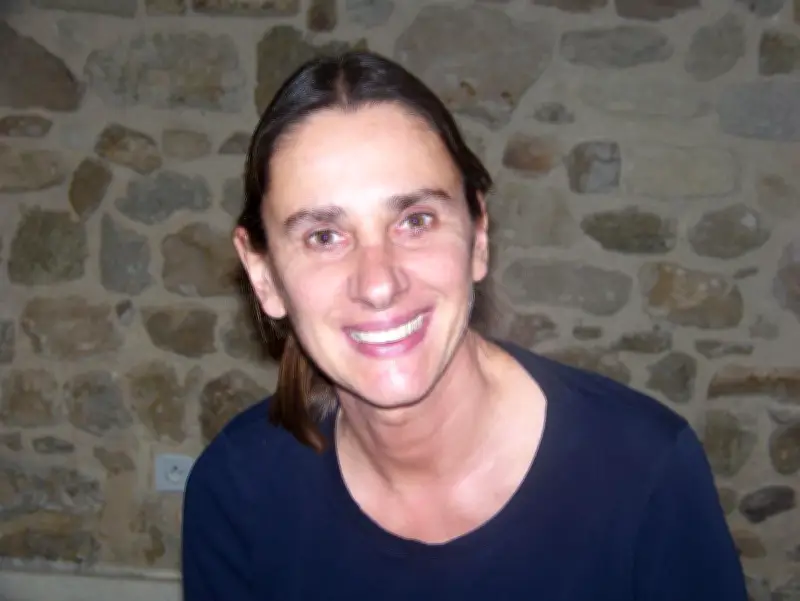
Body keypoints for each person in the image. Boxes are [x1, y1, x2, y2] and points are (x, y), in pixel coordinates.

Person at [181, 51, 748, 600]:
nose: (378, 283)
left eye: (415, 220)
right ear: (264, 274)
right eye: (324, 236)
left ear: (477, 236)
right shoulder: (239, 491)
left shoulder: (645, 472)